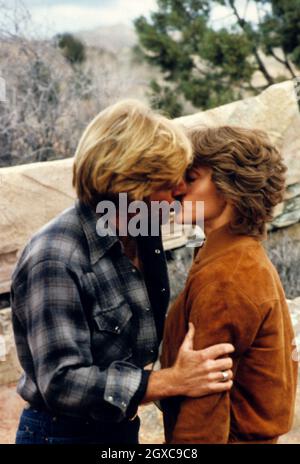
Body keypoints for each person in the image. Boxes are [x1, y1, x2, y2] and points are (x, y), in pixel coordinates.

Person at [11, 101, 234, 444]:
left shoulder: (143, 233)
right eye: (168, 183)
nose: (180, 192)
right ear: (130, 186)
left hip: (118, 428)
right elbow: (60, 382)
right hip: (62, 435)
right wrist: (171, 381)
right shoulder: (56, 257)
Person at [160, 126, 298, 444]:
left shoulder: (225, 277)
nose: (177, 189)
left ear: (229, 188)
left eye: (191, 178)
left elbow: (204, 407)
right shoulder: (237, 256)